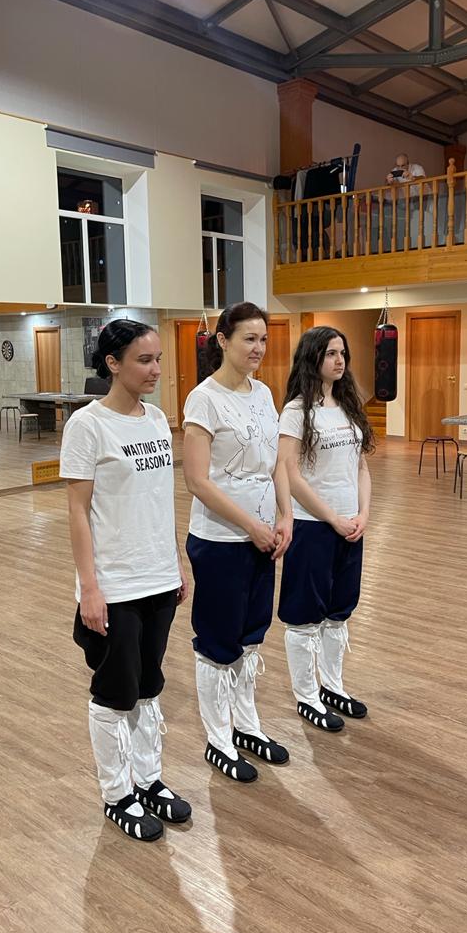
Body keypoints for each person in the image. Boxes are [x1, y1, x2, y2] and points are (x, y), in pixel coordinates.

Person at [60, 319, 191, 842]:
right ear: (112, 363)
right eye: (144, 360)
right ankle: (117, 794)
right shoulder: (87, 425)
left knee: (149, 686)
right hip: (115, 585)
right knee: (115, 694)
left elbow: (159, 501)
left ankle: (148, 779)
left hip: (158, 577)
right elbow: (77, 512)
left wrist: (176, 562)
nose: (156, 369)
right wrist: (90, 588)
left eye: (158, 358)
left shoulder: (157, 419)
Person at [183, 302, 292, 782]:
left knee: (251, 635)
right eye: (249, 338)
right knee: (218, 641)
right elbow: (197, 480)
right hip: (221, 539)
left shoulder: (263, 393)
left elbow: (276, 464)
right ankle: (218, 739)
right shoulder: (203, 399)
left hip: (264, 536)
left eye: (263, 339)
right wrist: (251, 525)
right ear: (223, 340)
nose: (258, 348)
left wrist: (286, 516)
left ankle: (246, 726)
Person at [277, 327, 374, 731]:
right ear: (312, 357)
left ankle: (332, 686)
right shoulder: (296, 411)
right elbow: (289, 473)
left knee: (339, 612)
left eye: (343, 353)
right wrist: (332, 517)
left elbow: (361, 467)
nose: (340, 361)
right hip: (313, 525)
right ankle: (306, 695)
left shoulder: (349, 407)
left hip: (351, 525)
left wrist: (363, 513)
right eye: (331, 353)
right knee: (304, 617)